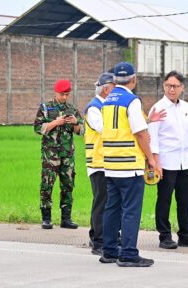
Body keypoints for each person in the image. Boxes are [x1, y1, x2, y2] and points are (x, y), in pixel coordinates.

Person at [99, 62, 157, 267]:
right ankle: (129, 254)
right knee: (131, 210)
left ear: (114, 80)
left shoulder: (106, 101)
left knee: (112, 208)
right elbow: (141, 133)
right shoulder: (132, 101)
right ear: (134, 80)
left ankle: (109, 251)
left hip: (110, 164)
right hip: (129, 165)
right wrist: (150, 159)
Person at [148, 70, 188, 249]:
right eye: (168, 86)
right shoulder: (158, 108)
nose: (171, 89)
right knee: (164, 199)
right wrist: (156, 163)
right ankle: (164, 235)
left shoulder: (185, 107)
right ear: (164, 86)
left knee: (185, 199)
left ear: (182, 88)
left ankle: (185, 235)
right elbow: (153, 138)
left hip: (184, 162)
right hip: (166, 162)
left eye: (175, 86)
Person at [34, 79, 84, 230]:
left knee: (68, 185)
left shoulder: (72, 109)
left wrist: (75, 122)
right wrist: (56, 123)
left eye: (67, 94)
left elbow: (81, 131)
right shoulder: (45, 108)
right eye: (62, 94)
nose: (64, 97)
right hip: (51, 154)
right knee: (47, 184)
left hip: (67, 154)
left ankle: (66, 218)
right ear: (56, 92)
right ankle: (46, 218)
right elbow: (37, 128)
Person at [84, 72, 116, 255]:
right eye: (114, 88)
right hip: (98, 162)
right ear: (106, 89)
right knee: (101, 202)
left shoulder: (106, 107)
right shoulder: (94, 108)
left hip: (108, 161)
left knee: (106, 201)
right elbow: (105, 129)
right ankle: (99, 241)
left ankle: (97, 235)